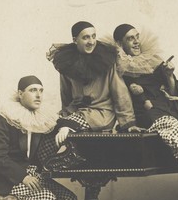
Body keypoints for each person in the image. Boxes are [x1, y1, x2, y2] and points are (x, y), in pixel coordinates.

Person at [112, 24, 178, 191]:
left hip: (168, 104)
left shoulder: (152, 60)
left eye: (137, 37)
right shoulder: (117, 67)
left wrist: (169, 77)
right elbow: (119, 98)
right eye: (130, 39)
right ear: (119, 43)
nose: (136, 42)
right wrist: (128, 124)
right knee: (172, 125)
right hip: (146, 110)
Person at [43, 21, 141, 171]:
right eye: (86, 38)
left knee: (65, 127)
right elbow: (66, 95)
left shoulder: (106, 60)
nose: (91, 42)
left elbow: (120, 93)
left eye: (94, 36)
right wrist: (64, 117)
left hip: (101, 113)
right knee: (48, 134)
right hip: (76, 113)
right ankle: (38, 169)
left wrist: (128, 123)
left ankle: (68, 126)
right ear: (75, 40)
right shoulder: (66, 62)